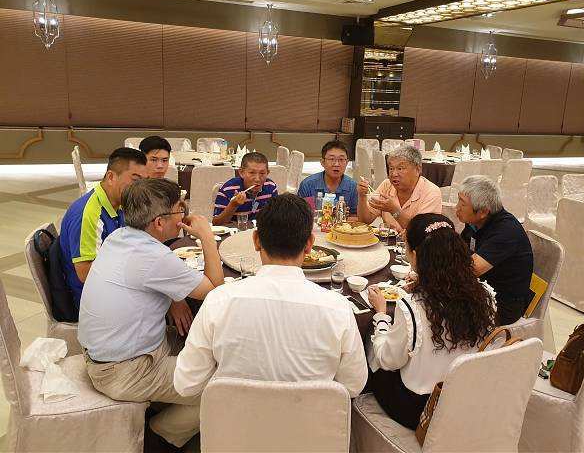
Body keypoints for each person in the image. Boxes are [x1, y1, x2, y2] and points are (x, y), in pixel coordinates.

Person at [78, 178, 224, 452]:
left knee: (201, 344)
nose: (184, 214)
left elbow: (142, 279)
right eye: (180, 209)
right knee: (221, 387)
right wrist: (206, 236)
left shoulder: (118, 237)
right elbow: (215, 288)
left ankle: (165, 405)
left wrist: (175, 298)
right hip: (124, 371)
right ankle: (158, 437)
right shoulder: (154, 257)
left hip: (112, 353)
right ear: (159, 222)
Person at [174, 194, 368, 399]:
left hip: (235, 418)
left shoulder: (218, 301)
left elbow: (186, 384)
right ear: (309, 244)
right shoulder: (338, 308)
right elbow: (353, 386)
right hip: (309, 419)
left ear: (256, 240)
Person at [366, 213, 495, 429]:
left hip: (418, 409)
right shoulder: (485, 295)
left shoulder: (413, 307)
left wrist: (381, 315)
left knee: (371, 347)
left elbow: (388, 360)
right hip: (463, 399)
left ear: (416, 255)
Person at [59, 147, 147, 308]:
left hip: (110, 285)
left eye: (144, 182)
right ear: (111, 177)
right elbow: (85, 273)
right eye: (135, 181)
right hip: (90, 299)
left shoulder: (119, 203)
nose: (140, 188)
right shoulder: (89, 213)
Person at [456, 175, 534, 326]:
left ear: (483, 212)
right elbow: (458, 252)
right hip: (479, 288)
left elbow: (469, 270)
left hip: (502, 304)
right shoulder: (475, 222)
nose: (456, 207)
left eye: (462, 203)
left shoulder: (506, 231)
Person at [357, 145, 441, 231]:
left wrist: (394, 211)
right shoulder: (387, 185)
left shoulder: (431, 192)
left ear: (417, 169)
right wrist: (362, 196)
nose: (394, 174)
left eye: (400, 168)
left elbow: (422, 232)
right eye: (391, 168)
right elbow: (364, 221)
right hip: (388, 238)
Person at [212, 152, 278, 225]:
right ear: (241, 173)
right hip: (234, 231)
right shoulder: (228, 189)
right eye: (252, 173)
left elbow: (276, 216)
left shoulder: (271, 187)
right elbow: (216, 223)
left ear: (267, 173)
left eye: (262, 173)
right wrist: (233, 205)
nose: (257, 179)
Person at [297, 140, 358, 214]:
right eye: (332, 159)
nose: (336, 164)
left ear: (347, 162)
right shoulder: (308, 185)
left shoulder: (353, 186)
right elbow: (301, 216)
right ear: (322, 162)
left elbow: (356, 216)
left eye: (341, 159)